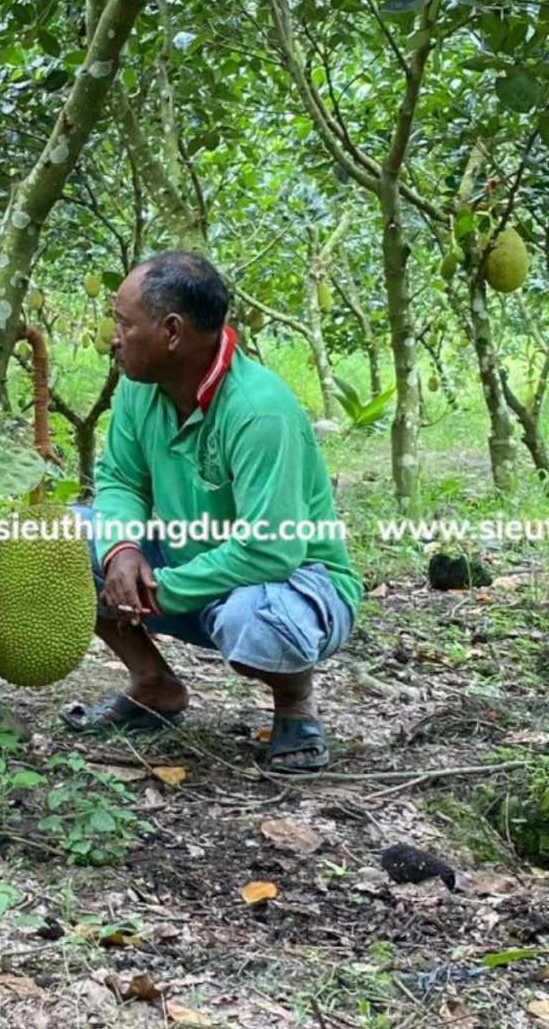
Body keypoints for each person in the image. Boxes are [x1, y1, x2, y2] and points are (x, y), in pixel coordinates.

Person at [64, 251, 361, 772]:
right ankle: (154, 685)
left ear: (172, 331)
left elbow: (270, 550)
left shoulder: (259, 411)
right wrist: (122, 551)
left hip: (294, 584)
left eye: (124, 323)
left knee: (260, 621)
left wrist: (154, 593)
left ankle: (295, 707)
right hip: (189, 565)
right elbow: (120, 482)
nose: (113, 336)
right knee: (58, 541)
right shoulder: (140, 391)